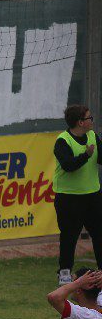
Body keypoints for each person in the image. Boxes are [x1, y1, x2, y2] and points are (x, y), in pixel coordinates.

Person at [52, 104, 102, 287]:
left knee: (99, 234)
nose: (92, 121)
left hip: (92, 195)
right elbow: (68, 166)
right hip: (69, 198)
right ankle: (64, 272)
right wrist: (86, 155)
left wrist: (93, 154)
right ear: (80, 122)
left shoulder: (92, 136)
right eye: (89, 118)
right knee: (69, 236)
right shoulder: (62, 141)